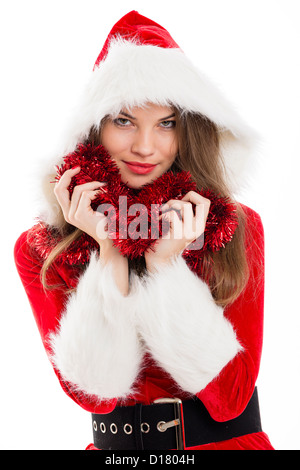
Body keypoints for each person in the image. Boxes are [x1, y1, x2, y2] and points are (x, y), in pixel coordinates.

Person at [14, 11, 274, 450]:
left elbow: (231, 399)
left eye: (166, 123)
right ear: (93, 127)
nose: (145, 147)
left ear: (188, 129)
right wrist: (109, 252)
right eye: (124, 120)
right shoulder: (41, 249)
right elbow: (92, 395)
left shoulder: (232, 227)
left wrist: (164, 267)